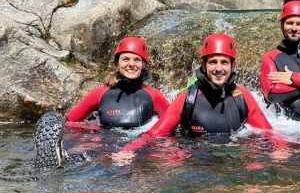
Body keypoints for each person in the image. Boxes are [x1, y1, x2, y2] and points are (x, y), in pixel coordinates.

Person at [115, 33, 285, 159]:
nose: (219, 69)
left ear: (233, 65)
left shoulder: (242, 96)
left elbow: (268, 133)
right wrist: (129, 149)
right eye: (213, 62)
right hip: (195, 163)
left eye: (224, 62)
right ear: (203, 65)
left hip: (233, 161)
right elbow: (154, 134)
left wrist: (281, 148)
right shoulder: (188, 98)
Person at [34, 36, 170, 169]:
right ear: (118, 63)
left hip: (140, 147)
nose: (131, 64)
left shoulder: (154, 95)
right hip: (105, 144)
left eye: (137, 60)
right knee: (87, 154)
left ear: (144, 64)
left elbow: (171, 127)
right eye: (126, 59)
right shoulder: (100, 93)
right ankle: (58, 158)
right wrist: (91, 131)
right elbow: (69, 122)